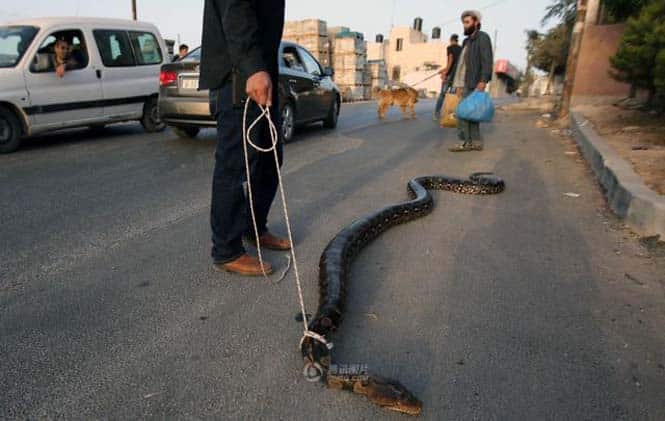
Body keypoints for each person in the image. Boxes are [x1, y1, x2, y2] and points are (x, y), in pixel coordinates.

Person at [199, 0, 290, 276]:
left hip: (260, 75)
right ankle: (226, 250)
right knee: (235, 166)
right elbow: (236, 9)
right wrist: (253, 67)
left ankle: (254, 227)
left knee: (269, 159)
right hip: (238, 77)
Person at [450, 11, 494, 152]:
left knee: (462, 113)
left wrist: (483, 80)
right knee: (471, 113)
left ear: (476, 23)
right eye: (464, 22)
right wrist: (457, 84)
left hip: (475, 82)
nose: (465, 25)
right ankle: (475, 142)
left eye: (468, 22)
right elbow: (462, 64)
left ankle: (465, 142)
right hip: (465, 82)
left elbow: (487, 60)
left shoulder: (482, 38)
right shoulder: (466, 41)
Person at [433, 34, 462, 120]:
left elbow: (451, 61)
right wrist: (443, 70)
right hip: (456, 77)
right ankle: (450, 115)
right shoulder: (461, 49)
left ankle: (436, 114)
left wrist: (445, 73)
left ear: (451, 40)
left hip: (449, 76)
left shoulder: (450, 48)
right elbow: (455, 64)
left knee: (442, 94)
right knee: (452, 96)